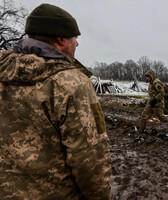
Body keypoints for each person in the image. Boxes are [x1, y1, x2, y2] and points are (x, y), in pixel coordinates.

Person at [0, 4, 112, 199]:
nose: (77, 44)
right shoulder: (72, 83)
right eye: (75, 38)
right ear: (61, 39)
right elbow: (89, 159)